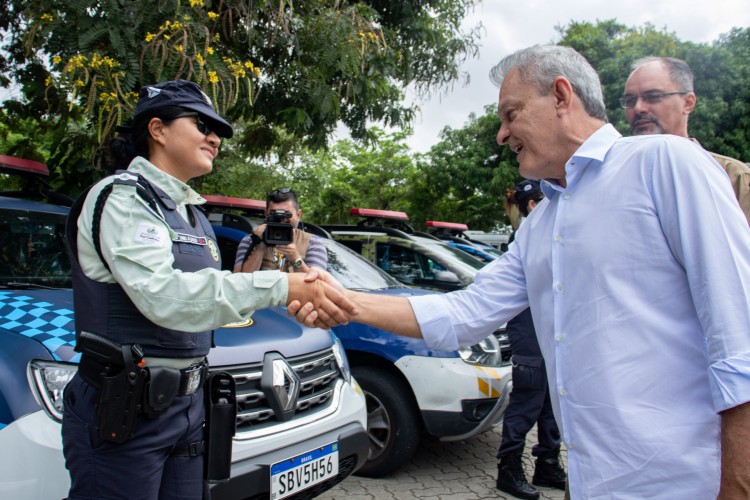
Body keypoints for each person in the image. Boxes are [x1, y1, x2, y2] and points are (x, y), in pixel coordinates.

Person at [292, 45, 750, 499]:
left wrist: (736, 487)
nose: (502, 134)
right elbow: (462, 314)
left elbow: (740, 343)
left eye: (511, 114)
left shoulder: (663, 164)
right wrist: (341, 299)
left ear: (561, 96)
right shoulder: (544, 223)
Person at [62, 79, 354, 500]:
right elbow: (165, 296)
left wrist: (295, 288)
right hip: (125, 410)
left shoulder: (191, 214)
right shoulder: (124, 199)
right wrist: (280, 284)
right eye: (201, 124)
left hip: (188, 406)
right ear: (158, 130)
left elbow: (219, 296)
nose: (214, 137)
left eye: (217, 130)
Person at [496, 179, 565, 500]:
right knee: (529, 397)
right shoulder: (524, 238)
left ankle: (548, 463)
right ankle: (508, 469)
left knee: (553, 398)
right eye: (539, 199)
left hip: (552, 330)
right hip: (528, 330)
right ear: (531, 205)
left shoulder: (551, 232)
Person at [623, 56, 750, 224]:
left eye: (653, 96)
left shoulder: (733, 176)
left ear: (688, 103)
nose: (638, 108)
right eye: (630, 101)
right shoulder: (620, 176)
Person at [233, 187, 327, 273]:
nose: (281, 220)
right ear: (266, 213)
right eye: (274, 215)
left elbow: (316, 282)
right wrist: (259, 246)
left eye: (287, 214)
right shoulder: (250, 240)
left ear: (298, 215)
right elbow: (239, 279)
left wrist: (295, 257)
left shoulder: (313, 242)